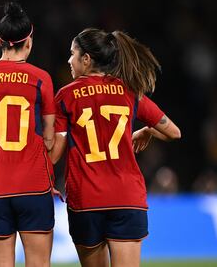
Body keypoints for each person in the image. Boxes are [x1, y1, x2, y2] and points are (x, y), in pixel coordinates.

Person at [49, 28, 181, 267]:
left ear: (86, 59)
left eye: (72, 54)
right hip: (127, 198)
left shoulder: (66, 96)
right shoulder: (130, 92)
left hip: (86, 199)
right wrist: (148, 129)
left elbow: (56, 152)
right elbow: (174, 132)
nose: (69, 60)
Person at [0, 2, 56, 267]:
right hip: (33, 185)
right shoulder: (41, 78)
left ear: (0, 40)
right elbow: (51, 138)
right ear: (29, 40)